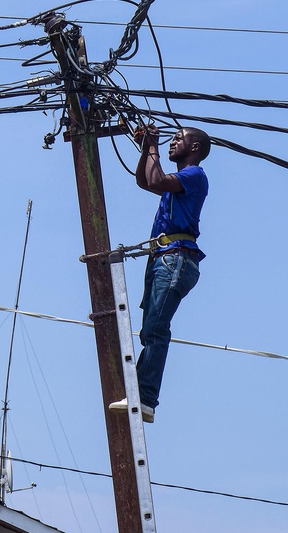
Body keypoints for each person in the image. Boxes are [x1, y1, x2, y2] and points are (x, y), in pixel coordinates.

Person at [109, 124, 210, 423]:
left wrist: (151, 146)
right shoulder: (179, 179)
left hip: (176, 258)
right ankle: (141, 395)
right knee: (151, 327)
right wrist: (147, 149)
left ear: (194, 148)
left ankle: (145, 398)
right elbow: (146, 181)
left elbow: (156, 178)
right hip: (163, 258)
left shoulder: (194, 174)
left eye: (179, 139)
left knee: (155, 329)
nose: (172, 142)